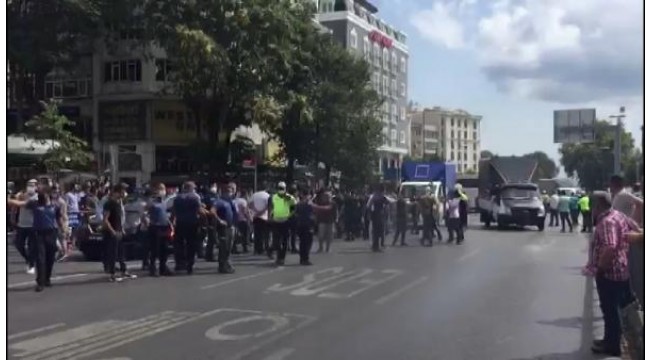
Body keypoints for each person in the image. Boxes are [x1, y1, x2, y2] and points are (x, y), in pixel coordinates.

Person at [588, 191, 636, 357]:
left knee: (610, 311)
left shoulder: (607, 222)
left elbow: (610, 246)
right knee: (614, 309)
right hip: (622, 269)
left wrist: (600, 268)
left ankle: (612, 345)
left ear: (598, 206)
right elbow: (635, 227)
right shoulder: (618, 215)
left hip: (610, 273)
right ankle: (609, 339)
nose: (592, 209)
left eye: (593, 205)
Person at [8, 186, 65, 292]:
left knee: (50, 258)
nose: (41, 197)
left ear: (48, 195)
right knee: (40, 258)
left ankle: (47, 279)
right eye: (40, 195)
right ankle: (40, 282)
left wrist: (63, 232)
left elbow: (59, 219)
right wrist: (9, 200)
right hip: (39, 234)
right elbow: (20, 204)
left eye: (43, 195)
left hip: (52, 233)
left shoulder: (55, 205)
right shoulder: (35, 204)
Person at [102, 184, 135, 282]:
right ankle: (112, 274)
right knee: (113, 253)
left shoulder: (119, 203)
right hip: (112, 232)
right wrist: (112, 231)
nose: (123, 194)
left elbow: (119, 218)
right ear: (116, 192)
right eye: (122, 192)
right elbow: (105, 219)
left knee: (121, 253)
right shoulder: (109, 203)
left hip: (119, 230)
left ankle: (124, 271)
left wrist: (122, 229)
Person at [172, 181, 203, 275]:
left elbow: (174, 211)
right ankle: (190, 265)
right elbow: (199, 210)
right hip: (192, 223)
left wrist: (173, 220)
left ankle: (179, 263)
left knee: (179, 244)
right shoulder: (195, 197)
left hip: (180, 223)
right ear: (191, 188)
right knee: (191, 244)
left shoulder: (177, 197)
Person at [210, 182, 238, 274]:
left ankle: (226, 264)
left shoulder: (229, 202)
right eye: (228, 192)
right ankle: (222, 266)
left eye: (231, 191)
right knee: (224, 248)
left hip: (231, 227)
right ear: (223, 192)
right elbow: (212, 211)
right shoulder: (219, 201)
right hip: (224, 229)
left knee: (228, 248)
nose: (230, 193)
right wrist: (219, 220)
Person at [146, 183, 173, 277]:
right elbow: (147, 211)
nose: (163, 191)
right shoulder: (152, 201)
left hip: (164, 227)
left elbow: (164, 214)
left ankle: (163, 268)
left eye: (163, 189)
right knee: (155, 249)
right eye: (161, 189)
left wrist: (170, 223)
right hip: (155, 227)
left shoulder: (163, 201)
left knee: (164, 249)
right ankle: (153, 269)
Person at [268, 182, 296, 265]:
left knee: (282, 241)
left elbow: (293, 208)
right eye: (280, 188)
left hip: (283, 221)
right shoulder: (273, 197)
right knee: (280, 241)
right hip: (279, 221)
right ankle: (278, 256)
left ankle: (280, 257)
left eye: (282, 188)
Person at [14, 179, 38, 274]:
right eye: (29, 185)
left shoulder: (37, 197)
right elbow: (15, 204)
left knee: (32, 246)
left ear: (36, 186)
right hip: (21, 224)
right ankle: (28, 259)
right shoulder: (22, 195)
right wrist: (13, 217)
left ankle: (31, 265)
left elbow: (23, 204)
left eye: (32, 185)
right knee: (18, 244)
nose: (30, 187)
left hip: (32, 225)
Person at [366, 185, 390, 252]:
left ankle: (374, 246)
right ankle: (377, 246)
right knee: (380, 231)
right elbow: (387, 205)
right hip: (379, 215)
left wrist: (370, 214)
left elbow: (368, 206)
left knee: (375, 231)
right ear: (382, 190)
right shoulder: (382, 197)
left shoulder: (373, 197)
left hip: (374, 215)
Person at [294, 189, 315, 265]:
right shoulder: (309, 204)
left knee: (302, 242)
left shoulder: (298, 204)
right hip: (307, 225)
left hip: (300, 225)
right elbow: (312, 215)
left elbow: (295, 214)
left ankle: (302, 258)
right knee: (307, 242)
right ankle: (305, 259)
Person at [249, 185, 271, 256]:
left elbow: (250, 204)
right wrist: (262, 211)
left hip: (256, 217)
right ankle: (265, 249)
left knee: (257, 234)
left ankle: (257, 249)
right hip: (265, 217)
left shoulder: (254, 195)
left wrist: (255, 210)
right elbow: (269, 206)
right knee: (265, 235)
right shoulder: (267, 195)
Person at [233, 189, 251, 254]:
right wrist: (249, 218)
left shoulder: (234, 200)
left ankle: (234, 248)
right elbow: (245, 211)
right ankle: (245, 248)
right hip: (243, 220)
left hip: (235, 220)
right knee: (245, 234)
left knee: (235, 235)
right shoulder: (243, 201)